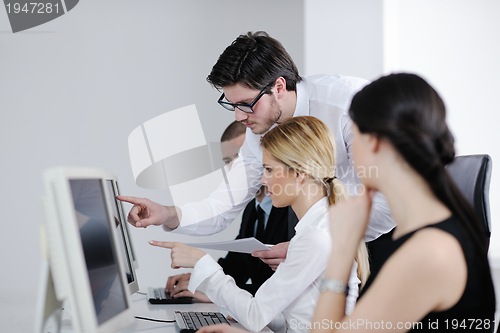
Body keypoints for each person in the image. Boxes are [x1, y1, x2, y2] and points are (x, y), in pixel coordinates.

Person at [118, 31, 395, 270]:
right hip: (316, 243)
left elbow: (389, 202)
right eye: (232, 104)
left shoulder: (349, 105)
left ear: (279, 86)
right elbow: (225, 202)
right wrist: (168, 213)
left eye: (246, 103)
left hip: (381, 242)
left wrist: (311, 246)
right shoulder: (259, 126)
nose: (239, 117)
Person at [306, 73, 495, 332]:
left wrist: (342, 247)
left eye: (354, 135)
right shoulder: (429, 229)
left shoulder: (428, 253)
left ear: (372, 142)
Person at [149, 116, 368, 333]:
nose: (263, 180)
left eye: (269, 170)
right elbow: (299, 318)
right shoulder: (319, 226)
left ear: (300, 172)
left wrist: (202, 264)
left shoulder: (314, 236)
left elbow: (256, 315)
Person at [165, 121, 298, 301]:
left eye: (243, 158)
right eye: (229, 161)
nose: (238, 168)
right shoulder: (252, 210)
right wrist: (200, 281)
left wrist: (214, 291)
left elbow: (280, 292)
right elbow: (236, 266)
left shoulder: (293, 212)